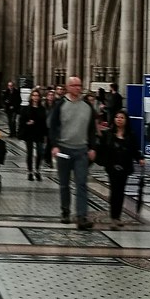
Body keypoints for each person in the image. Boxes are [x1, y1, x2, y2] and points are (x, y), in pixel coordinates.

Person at [47, 75, 97, 229]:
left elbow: (92, 129)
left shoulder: (87, 106)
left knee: (81, 183)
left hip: (81, 150)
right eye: (74, 85)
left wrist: (92, 147)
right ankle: (65, 211)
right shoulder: (60, 105)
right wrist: (54, 145)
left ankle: (81, 216)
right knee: (64, 184)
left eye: (79, 85)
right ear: (68, 87)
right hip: (64, 149)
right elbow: (53, 126)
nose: (78, 88)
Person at [98, 109, 144, 224]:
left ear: (126, 120)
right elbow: (102, 148)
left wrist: (140, 158)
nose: (119, 119)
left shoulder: (130, 136)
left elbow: (134, 150)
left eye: (122, 117)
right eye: (117, 117)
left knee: (121, 190)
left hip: (125, 166)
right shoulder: (108, 134)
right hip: (112, 166)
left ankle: (117, 216)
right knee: (114, 191)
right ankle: (114, 216)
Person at [18, 88, 47, 181]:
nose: (35, 97)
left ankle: (37, 170)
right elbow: (21, 121)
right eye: (34, 95)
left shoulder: (42, 109)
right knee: (29, 153)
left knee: (40, 153)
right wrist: (27, 123)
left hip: (39, 133)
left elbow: (44, 122)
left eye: (37, 96)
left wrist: (45, 134)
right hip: (29, 133)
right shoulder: (26, 108)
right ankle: (30, 171)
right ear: (31, 97)